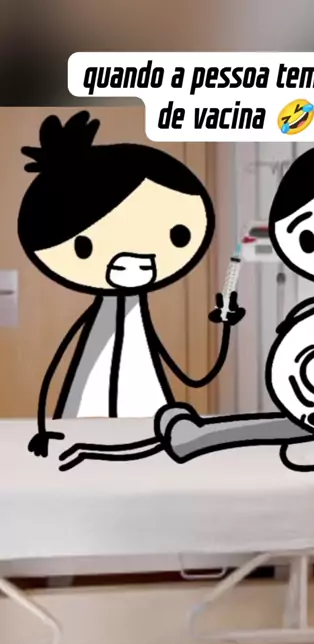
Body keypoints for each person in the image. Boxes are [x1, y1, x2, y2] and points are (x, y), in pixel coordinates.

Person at [59, 107, 314, 473]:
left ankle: (194, 435)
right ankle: (193, 435)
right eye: (309, 239)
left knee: (283, 425)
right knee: (284, 423)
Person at [19, 110, 244, 460]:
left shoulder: (137, 321)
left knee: (147, 431)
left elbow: (196, 376)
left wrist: (226, 324)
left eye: (178, 235)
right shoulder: (98, 322)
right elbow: (58, 368)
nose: (136, 261)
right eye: (85, 246)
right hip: (82, 432)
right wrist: (44, 430)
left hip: (148, 432)